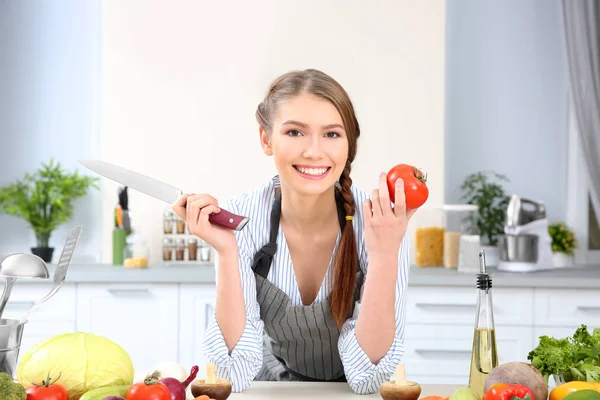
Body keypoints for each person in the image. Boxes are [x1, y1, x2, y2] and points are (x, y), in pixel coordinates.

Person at [172, 69, 416, 395]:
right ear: (265, 139)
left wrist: (385, 257)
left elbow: (369, 378)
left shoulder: (382, 224)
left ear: (349, 145)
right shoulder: (241, 220)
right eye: (295, 132)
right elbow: (232, 373)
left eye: (331, 134)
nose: (314, 151)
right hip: (270, 392)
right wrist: (228, 252)